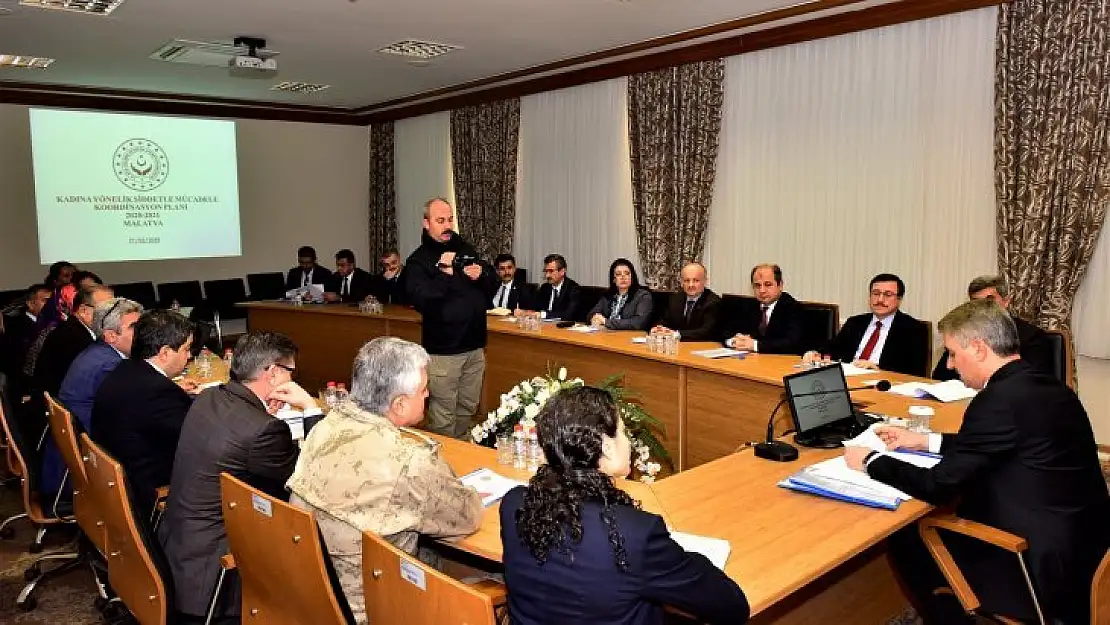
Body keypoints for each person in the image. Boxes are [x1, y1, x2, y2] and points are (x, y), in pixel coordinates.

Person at [844, 299, 1110, 624]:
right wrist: (924, 439)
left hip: (1033, 565)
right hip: (1087, 549)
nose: (951, 364)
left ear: (980, 349)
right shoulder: (1049, 386)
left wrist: (870, 461)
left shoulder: (995, 401)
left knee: (907, 540)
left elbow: (938, 486)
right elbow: (999, 443)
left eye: (954, 353)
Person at [501, 386, 749, 625]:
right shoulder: (635, 534)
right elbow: (731, 606)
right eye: (622, 431)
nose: (628, 441)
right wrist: (679, 557)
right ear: (606, 448)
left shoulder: (514, 504)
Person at [287, 337, 483, 623]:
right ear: (399, 404)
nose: (428, 395)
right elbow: (467, 517)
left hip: (312, 594)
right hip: (377, 608)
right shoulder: (408, 461)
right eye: (423, 389)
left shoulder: (325, 427)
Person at [161, 331, 317, 624]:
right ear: (271, 372)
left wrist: (261, 413)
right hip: (215, 569)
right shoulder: (263, 431)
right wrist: (310, 409)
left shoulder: (209, 396)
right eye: (291, 371)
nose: (293, 379)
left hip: (179, 547)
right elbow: (310, 476)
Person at [404, 197, 494, 438]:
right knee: (443, 415)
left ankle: (463, 457)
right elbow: (422, 300)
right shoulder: (418, 261)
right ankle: (443, 463)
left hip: (475, 346)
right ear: (426, 223)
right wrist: (444, 272)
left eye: (450, 219)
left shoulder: (465, 248)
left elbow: (489, 288)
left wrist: (482, 275)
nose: (447, 226)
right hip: (444, 352)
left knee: (468, 408)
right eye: (440, 220)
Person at [92, 310, 195, 518]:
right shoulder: (157, 391)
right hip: (148, 489)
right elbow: (195, 439)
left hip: (118, 476)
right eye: (186, 349)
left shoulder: (125, 370)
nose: (189, 356)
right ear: (165, 352)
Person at [42, 297, 143, 501]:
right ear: (110, 336)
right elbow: (136, 416)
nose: (143, 333)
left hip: (68, 465)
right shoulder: (108, 366)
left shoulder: (96, 353)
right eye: (135, 327)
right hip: (88, 471)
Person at [803, 273, 928, 376]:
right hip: (849, 381)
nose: (880, 300)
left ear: (899, 299)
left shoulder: (914, 329)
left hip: (883, 387)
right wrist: (816, 353)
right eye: (876, 293)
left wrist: (878, 368)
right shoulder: (855, 322)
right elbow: (834, 348)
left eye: (888, 295)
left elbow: (915, 372)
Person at [932, 275, 1052, 381]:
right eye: (976, 302)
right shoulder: (962, 333)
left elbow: (1031, 382)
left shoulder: (1032, 336)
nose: (982, 308)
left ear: (1006, 301)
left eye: (989, 301)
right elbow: (940, 376)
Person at [34, 285, 114, 399]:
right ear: (84, 311)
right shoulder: (72, 338)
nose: (115, 316)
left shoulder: (77, 330)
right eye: (108, 310)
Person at [721, 264, 805, 354]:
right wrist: (733, 341)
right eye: (757, 285)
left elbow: (791, 343)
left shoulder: (793, 308)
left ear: (780, 285)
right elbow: (725, 331)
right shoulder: (748, 306)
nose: (762, 290)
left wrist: (755, 345)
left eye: (768, 285)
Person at [653, 262, 721, 341]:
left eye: (696, 280)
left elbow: (706, 332)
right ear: (681, 282)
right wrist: (658, 329)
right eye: (686, 280)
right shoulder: (675, 299)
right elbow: (664, 321)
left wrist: (676, 334)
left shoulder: (713, 302)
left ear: (705, 281)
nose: (690, 285)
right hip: (677, 348)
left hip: (701, 348)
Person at [587, 259, 653, 331]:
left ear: (632, 277)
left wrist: (606, 321)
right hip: (606, 335)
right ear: (614, 279)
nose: (623, 277)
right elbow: (591, 314)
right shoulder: (608, 295)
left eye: (627, 273)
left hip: (628, 338)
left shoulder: (643, 296)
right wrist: (594, 318)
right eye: (618, 274)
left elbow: (637, 323)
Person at [0, 284, 50, 379]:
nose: (51, 305)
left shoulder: (53, 323)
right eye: (45, 301)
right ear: (30, 304)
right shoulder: (16, 326)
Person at [523, 254, 580, 321]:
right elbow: (535, 308)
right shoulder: (545, 287)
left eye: (551, 271)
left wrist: (543, 315)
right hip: (544, 326)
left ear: (562, 271)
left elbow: (568, 315)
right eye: (546, 271)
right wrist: (525, 312)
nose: (547, 275)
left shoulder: (573, 288)